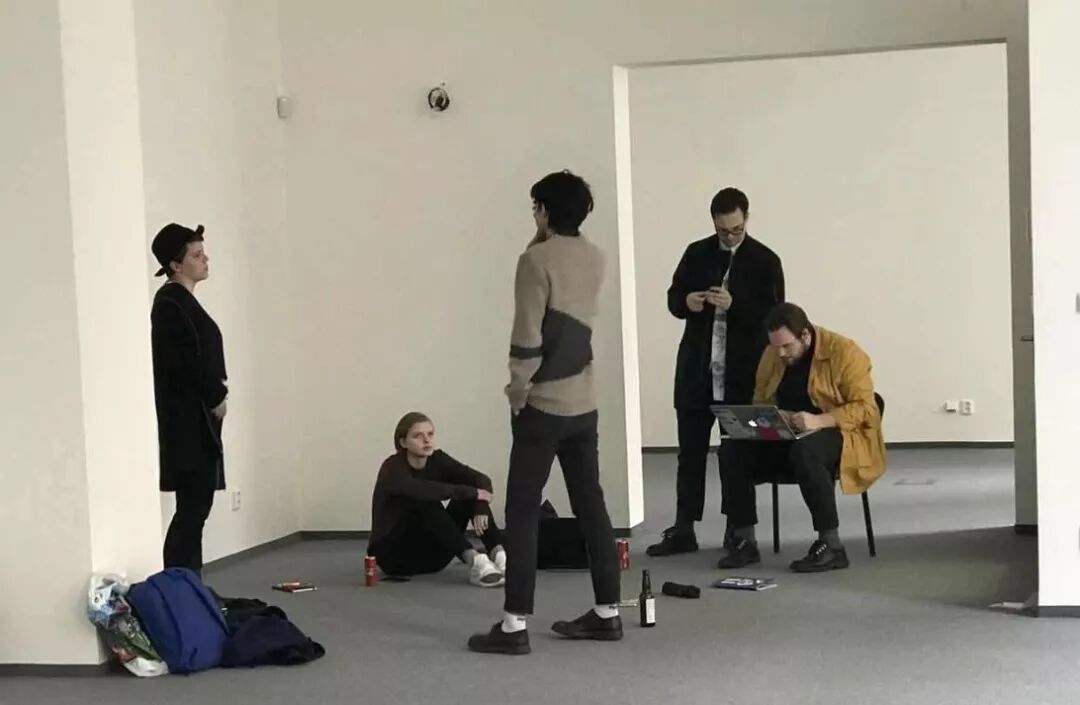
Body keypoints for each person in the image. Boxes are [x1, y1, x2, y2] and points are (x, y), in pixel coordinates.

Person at [468, 170, 621, 655]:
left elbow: (529, 334)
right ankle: (608, 612)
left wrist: (518, 390)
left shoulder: (534, 260)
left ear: (545, 210)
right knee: (591, 504)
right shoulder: (595, 257)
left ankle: (514, 624)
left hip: (543, 405)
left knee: (522, 509)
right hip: (584, 402)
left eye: (536, 207)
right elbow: (571, 327)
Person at [647, 187, 785, 558]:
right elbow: (673, 298)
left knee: (736, 455)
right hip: (698, 371)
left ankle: (737, 530)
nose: (731, 236)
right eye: (723, 230)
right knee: (689, 454)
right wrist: (687, 302)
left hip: (742, 376)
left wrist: (735, 304)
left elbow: (775, 318)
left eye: (737, 229)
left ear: (747, 219)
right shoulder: (696, 253)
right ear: (713, 223)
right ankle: (683, 528)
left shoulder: (766, 260)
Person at [716, 302, 886, 572]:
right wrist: (771, 417)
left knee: (806, 450)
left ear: (805, 335)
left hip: (840, 434)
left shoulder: (845, 352)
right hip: (788, 433)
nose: (780, 353)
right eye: (775, 346)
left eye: (787, 346)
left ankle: (831, 545)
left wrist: (819, 420)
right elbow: (760, 399)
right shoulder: (772, 354)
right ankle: (744, 539)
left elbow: (867, 409)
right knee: (732, 449)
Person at [150, 223, 228, 575]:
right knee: (192, 509)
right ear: (175, 265)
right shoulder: (170, 304)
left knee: (196, 508)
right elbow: (186, 362)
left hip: (196, 419)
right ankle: (179, 582)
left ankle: (188, 583)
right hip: (187, 423)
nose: (205, 259)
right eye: (197, 255)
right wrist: (215, 395)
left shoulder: (181, 302)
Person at [367, 412, 505, 587]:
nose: (426, 440)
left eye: (430, 434)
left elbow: (480, 479)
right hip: (394, 557)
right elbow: (418, 489)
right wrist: (473, 493)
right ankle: (476, 562)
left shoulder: (437, 459)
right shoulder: (392, 468)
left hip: (434, 556)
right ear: (403, 442)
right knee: (425, 498)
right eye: (418, 436)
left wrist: (481, 507)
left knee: (468, 495)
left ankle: (500, 556)